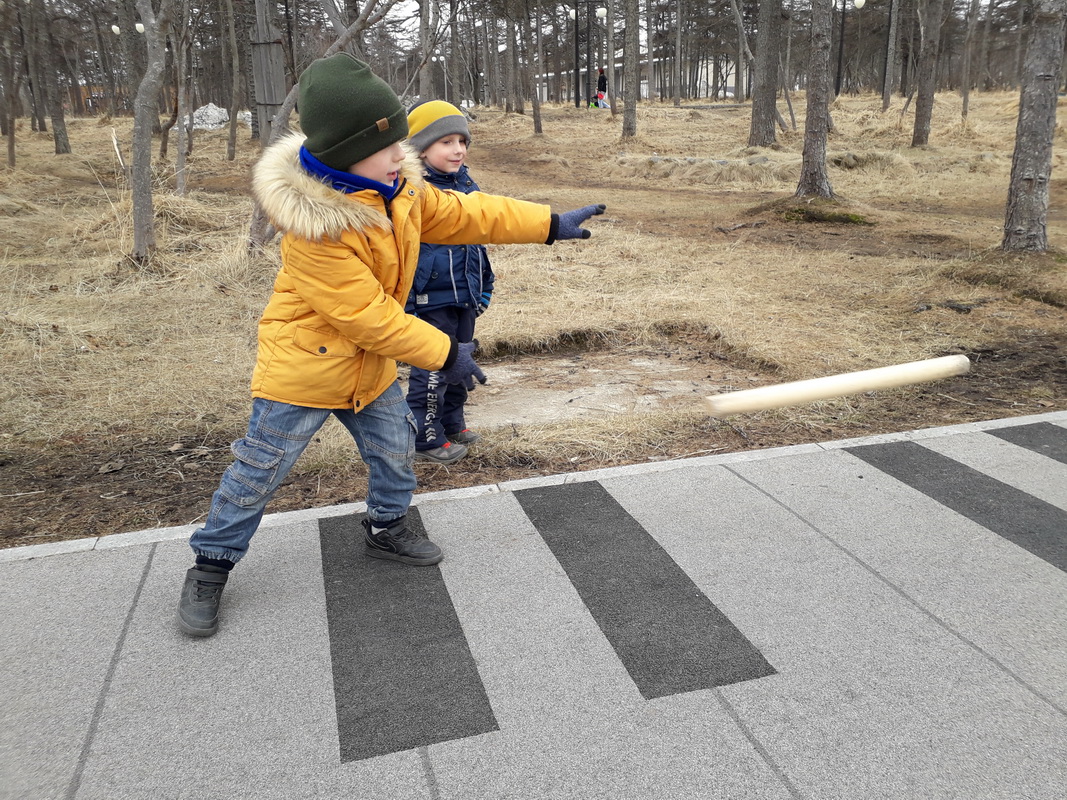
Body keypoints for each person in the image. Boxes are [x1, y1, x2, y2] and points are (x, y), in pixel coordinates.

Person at [177, 53, 606, 638]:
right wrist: (445, 352)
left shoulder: (396, 185)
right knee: (259, 470)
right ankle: (210, 567)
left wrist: (548, 223)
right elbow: (367, 316)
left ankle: (387, 527)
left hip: (368, 366)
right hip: (303, 369)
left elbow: (462, 213)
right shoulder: (314, 227)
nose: (400, 155)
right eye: (387, 146)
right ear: (347, 151)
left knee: (395, 448)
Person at [403, 100, 493, 464]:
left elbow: (478, 239)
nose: (458, 149)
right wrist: (411, 297)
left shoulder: (466, 184)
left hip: (464, 296)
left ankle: (453, 424)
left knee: (461, 363)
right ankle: (425, 438)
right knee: (432, 371)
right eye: (447, 142)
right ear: (422, 147)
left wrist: (483, 286)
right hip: (429, 300)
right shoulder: (411, 191)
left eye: (462, 141)